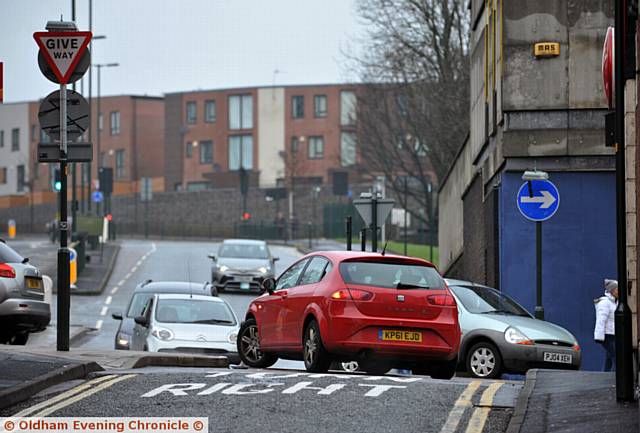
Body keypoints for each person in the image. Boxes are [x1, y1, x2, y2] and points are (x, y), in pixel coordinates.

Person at [593, 279, 618, 372]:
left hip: (613, 334)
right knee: (616, 356)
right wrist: (599, 337)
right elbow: (601, 320)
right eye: (617, 289)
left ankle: (605, 375)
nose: (619, 291)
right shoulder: (605, 303)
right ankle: (614, 376)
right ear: (612, 290)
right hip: (606, 335)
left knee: (609, 357)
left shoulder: (614, 303)